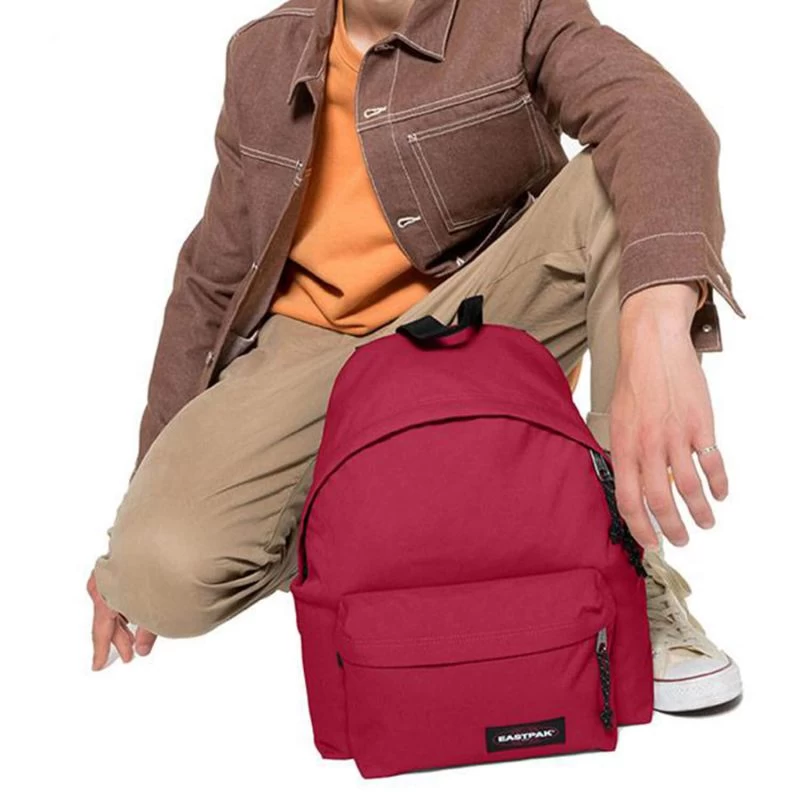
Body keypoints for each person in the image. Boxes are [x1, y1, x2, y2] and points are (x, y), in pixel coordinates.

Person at [88, 0, 745, 713]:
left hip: (472, 322)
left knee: (622, 179)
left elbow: (660, 116)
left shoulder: (518, 11)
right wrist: (152, 484)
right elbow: (212, 281)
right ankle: (410, 533)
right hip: (305, 353)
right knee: (159, 573)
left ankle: (625, 566)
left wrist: (657, 318)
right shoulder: (262, 53)